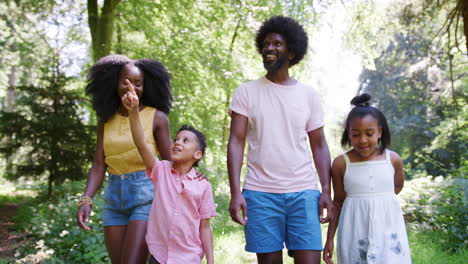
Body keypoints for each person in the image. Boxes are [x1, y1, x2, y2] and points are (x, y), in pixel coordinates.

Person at [227, 16, 334, 264]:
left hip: (304, 192)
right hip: (260, 193)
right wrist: (235, 192)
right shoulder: (246, 92)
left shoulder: (308, 95)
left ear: (292, 52)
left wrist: (326, 190)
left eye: (277, 44)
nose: (269, 48)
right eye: (266, 44)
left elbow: (319, 145)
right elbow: (236, 141)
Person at [76, 55, 173, 264]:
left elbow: (170, 165)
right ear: (115, 83)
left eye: (138, 83)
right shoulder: (106, 118)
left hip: (146, 196)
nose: (132, 87)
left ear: (145, 87)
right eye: (125, 81)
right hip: (113, 199)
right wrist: (86, 199)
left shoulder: (157, 118)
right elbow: (99, 164)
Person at [121, 83, 216, 264]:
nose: (177, 143)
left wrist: (210, 261)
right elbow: (141, 143)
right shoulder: (161, 171)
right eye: (176, 139)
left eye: (185, 140)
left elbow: (205, 227)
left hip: (189, 258)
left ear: (197, 154)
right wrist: (133, 112)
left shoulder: (203, 185)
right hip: (158, 255)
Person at [323, 93, 411, 264]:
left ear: (379, 132)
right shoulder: (341, 163)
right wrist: (329, 239)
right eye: (356, 134)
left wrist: (378, 201)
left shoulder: (393, 160)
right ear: (348, 134)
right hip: (354, 230)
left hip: (388, 231)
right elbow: (338, 202)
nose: (362, 140)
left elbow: (397, 187)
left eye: (369, 133)